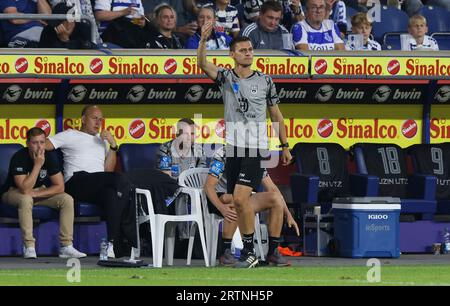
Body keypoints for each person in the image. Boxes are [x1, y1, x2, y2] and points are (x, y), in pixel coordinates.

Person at [197, 25, 292, 268]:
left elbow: (276, 115)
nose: (248, 53)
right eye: (243, 50)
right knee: (239, 202)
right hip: (233, 148)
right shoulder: (225, 78)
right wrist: (203, 41)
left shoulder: (265, 81)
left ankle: (249, 254)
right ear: (232, 54)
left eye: (250, 50)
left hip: (255, 147)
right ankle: (249, 252)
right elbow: (202, 65)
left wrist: (285, 145)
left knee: (240, 197)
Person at [45, 105, 136, 259]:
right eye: (94, 118)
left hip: (97, 183)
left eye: (101, 119)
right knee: (122, 181)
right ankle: (132, 239)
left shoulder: (102, 141)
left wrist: (113, 146)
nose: (98, 123)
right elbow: (44, 144)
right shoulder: (70, 134)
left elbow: (108, 171)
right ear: (83, 119)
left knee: (112, 195)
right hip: (76, 181)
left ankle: (113, 245)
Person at [204, 146, 299, 266]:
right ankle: (225, 251)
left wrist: (289, 215)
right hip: (220, 199)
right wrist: (221, 208)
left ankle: (273, 252)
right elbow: (208, 186)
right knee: (236, 200)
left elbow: (272, 188)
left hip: (243, 199)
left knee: (276, 199)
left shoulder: (254, 155)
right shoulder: (223, 153)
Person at [0, 127, 86, 259]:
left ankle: (66, 246)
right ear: (28, 143)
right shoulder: (19, 157)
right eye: (35, 143)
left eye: (41, 142)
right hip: (13, 193)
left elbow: (60, 186)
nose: (39, 147)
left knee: (67, 199)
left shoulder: (50, 156)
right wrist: (38, 165)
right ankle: (29, 246)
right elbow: (24, 188)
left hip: (37, 192)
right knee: (25, 199)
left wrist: (37, 194)